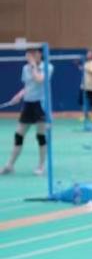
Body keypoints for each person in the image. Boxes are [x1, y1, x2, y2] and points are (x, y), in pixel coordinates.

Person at [1, 47, 51, 176]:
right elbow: (28, 86)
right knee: (19, 135)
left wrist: (33, 65)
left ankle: (41, 166)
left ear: (39, 54)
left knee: (40, 136)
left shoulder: (48, 67)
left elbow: (39, 80)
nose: (29, 55)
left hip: (40, 104)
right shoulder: (25, 68)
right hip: (28, 104)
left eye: (32, 53)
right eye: (28, 53)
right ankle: (10, 165)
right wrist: (18, 96)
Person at [80, 48, 92, 123]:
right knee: (81, 101)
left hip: (91, 86)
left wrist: (85, 68)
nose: (87, 54)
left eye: (89, 53)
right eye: (87, 53)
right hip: (84, 85)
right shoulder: (86, 63)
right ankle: (85, 115)